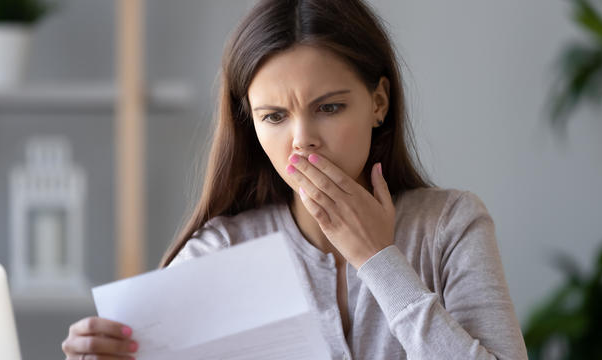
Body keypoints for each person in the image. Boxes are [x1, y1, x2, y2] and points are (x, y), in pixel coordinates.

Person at [62, 0, 528, 359]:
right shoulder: (221, 250)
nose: (303, 140)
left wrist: (379, 260)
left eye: (329, 108)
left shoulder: (450, 225)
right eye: (275, 116)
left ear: (379, 103)